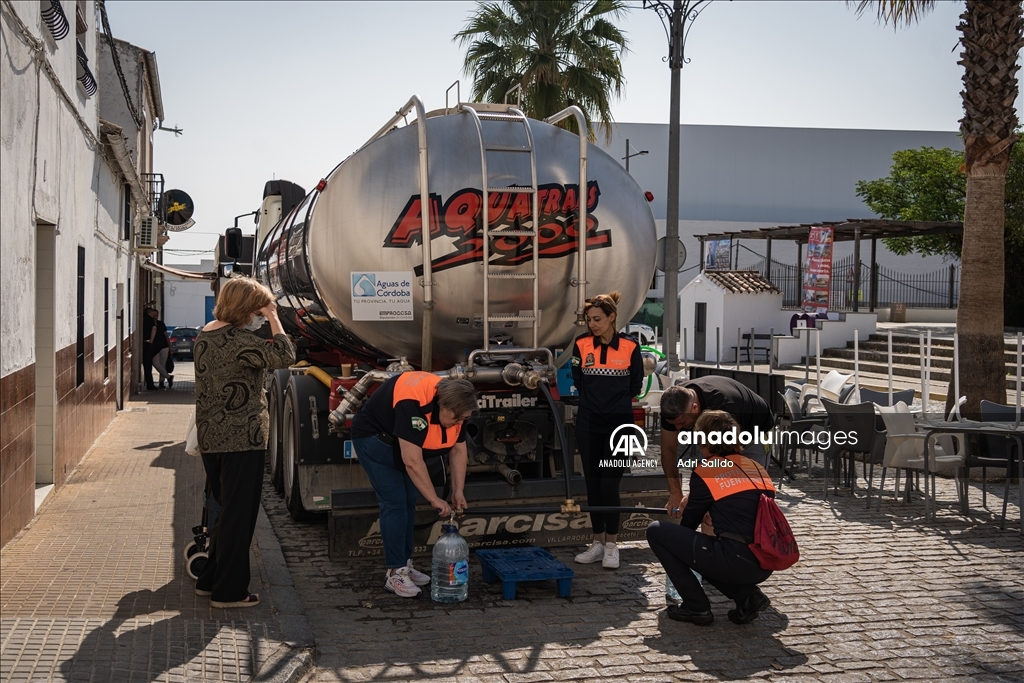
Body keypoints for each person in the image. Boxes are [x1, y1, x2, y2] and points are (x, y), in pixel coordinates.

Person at [193, 277, 295, 608]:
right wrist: (277, 318)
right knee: (239, 517)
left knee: (226, 513)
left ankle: (209, 580)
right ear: (245, 307)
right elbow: (284, 354)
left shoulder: (206, 333)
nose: (261, 317)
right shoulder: (238, 341)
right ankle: (230, 592)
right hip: (242, 438)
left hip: (212, 437)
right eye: (259, 310)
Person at [350, 372, 478, 598]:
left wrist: (458, 490)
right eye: (457, 419)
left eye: (463, 420)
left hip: (401, 446)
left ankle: (404, 564)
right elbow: (412, 461)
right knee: (395, 502)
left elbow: (459, 448)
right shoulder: (413, 405)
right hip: (375, 440)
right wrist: (435, 498)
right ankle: (394, 573)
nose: (459, 423)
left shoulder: (458, 407)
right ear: (442, 405)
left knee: (409, 501)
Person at [647, 410, 775, 626]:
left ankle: (696, 606)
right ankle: (747, 597)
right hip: (764, 560)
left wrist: (693, 510)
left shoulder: (708, 469)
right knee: (711, 547)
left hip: (735, 559)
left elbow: (688, 526)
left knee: (657, 531)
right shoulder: (756, 467)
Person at [570, 291, 644, 570]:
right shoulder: (581, 344)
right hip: (588, 425)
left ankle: (612, 545)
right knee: (592, 485)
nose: (593, 324)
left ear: (613, 317)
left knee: (609, 485)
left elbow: (635, 386)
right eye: (589, 319)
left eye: (598, 319)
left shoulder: (630, 347)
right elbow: (578, 379)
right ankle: (597, 542)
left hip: (619, 428)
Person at [658, 375, 775, 517]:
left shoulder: (725, 404)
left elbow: (729, 460)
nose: (677, 428)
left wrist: (695, 496)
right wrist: (676, 493)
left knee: (749, 498)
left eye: (682, 423)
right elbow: (668, 450)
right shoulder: (673, 405)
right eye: (673, 424)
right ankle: (709, 538)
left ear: (694, 408)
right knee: (709, 508)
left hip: (754, 431)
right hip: (713, 436)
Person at [145, 308, 173, 389]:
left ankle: (162, 382)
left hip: (164, 347)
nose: (155, 316)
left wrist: (170, 347)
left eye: (157, 315)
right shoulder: (149, 324)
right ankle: (168, 377)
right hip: (154, 348)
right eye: (154, 315)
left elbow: (166, 336)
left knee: (163, 364)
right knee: (156, 363)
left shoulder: (161, 324)